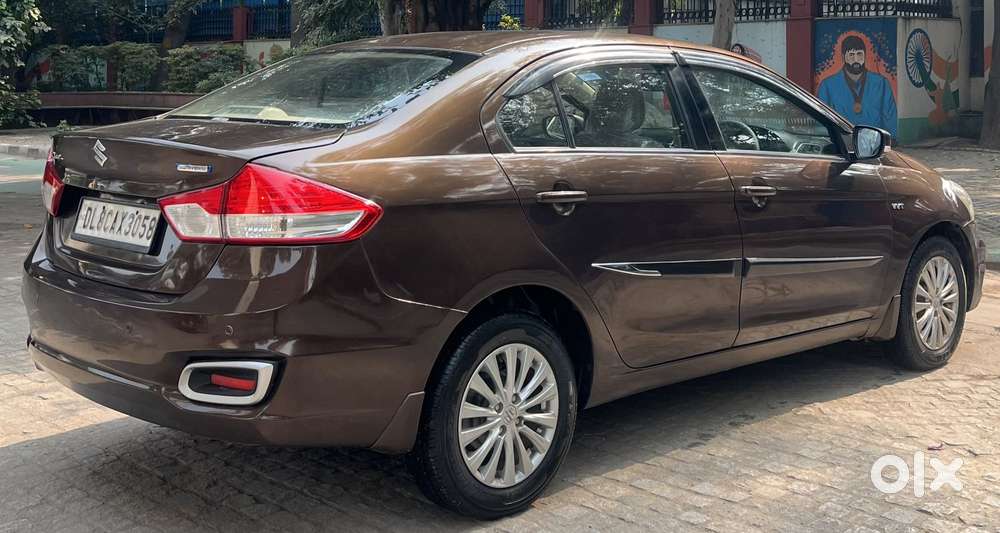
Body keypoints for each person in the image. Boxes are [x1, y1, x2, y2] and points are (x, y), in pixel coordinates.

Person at [817, 35, 897, 137]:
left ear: (865, 56)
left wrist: (892, 141)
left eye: (859, 54)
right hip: (841, 143)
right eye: (851, 55)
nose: (856, 59)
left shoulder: (881, 83)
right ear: (843, 57)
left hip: (875, 142)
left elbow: (890, 117)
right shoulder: (827, 85)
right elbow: (822, 119)